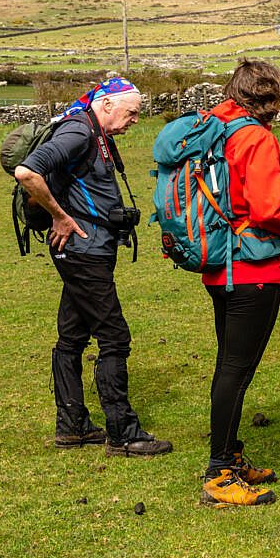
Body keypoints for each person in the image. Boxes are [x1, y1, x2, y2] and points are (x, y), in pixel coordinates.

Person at [14, 77, 172, 457]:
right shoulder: (78, 133)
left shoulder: (93, 131)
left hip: (89, 250)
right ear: (105, 105)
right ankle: (122, 433)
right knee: (114, 337)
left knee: (71, 337)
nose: (135, 120)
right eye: (131, 112)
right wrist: (60, 216)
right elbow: (26, 172)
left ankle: (73, 426)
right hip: (83, 252)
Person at [198, 59, 280, 507]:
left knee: (229, 363)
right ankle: (219, 474)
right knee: (236, 369)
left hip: (217, 263)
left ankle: (229, 454)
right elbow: (269, 210)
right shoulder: (257, 138)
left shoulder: (214, 129)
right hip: (252, 268)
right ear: (272, 97)